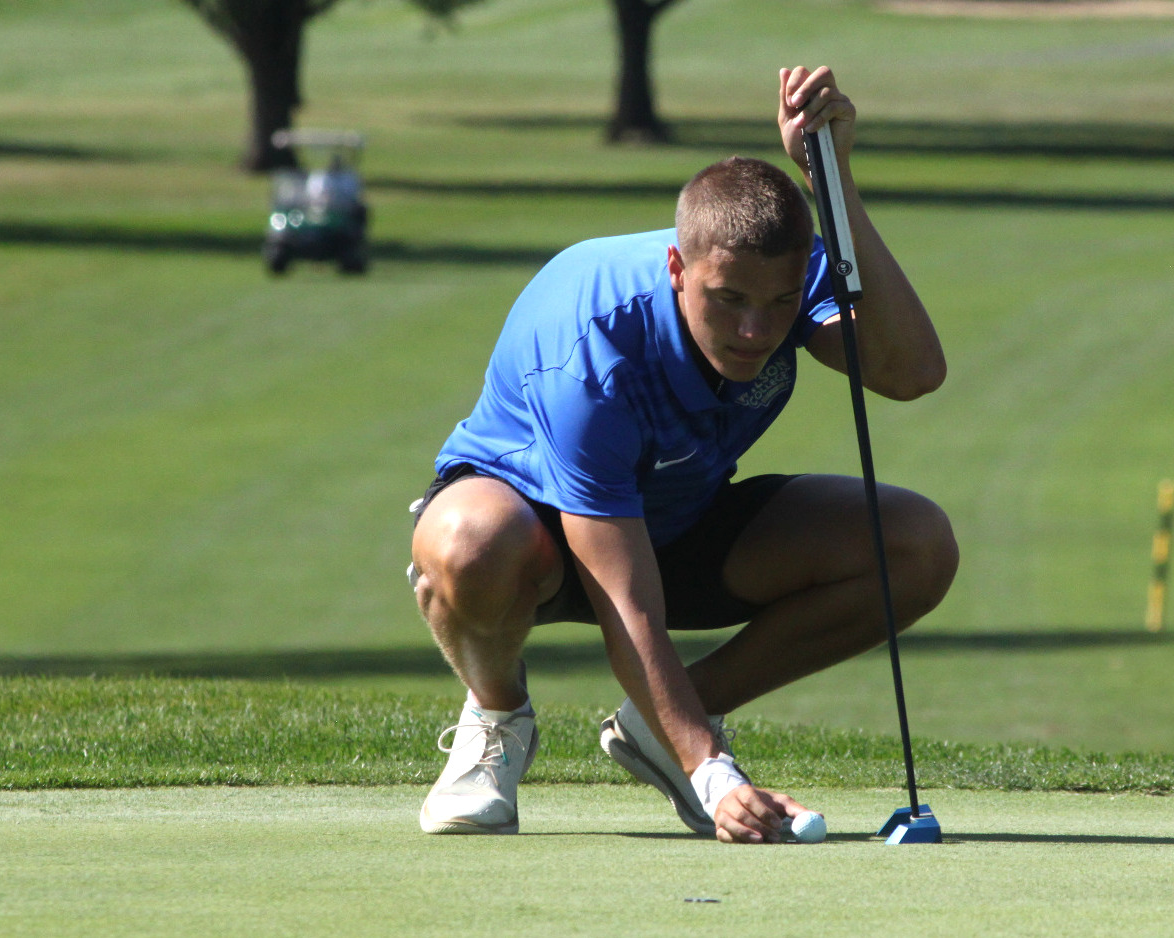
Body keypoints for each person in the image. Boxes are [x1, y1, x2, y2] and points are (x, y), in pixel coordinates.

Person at [407, 66, 958, 845]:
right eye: (727, 301)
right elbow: (626, 604)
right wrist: (714, 772)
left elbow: (911, 371)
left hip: (679, 521)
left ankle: (656, 727)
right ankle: (494, 720)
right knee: (469, 544)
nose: (754, 332)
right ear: (677, 269)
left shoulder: (780, 288)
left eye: (778, 304)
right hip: (537, 538)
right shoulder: (592, 348)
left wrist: (833, 184)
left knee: (914, 545)